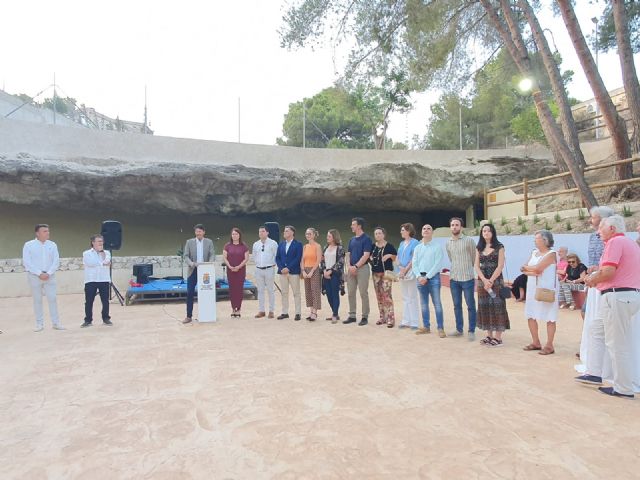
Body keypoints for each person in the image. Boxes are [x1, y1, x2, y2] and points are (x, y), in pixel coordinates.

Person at [581, 215, 640, 398]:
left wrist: (591, 279)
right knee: (596, 330)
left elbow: (608, 271)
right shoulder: (630, 243)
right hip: (624, 296)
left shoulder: (615, 243)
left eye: (601, 228)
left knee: (616, 344)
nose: (598, 232)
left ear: (612, 229)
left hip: (617, 296)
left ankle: (623, 388)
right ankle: (594, 373)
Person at [521, 230, 558, 356]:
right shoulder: (534, 252)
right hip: (532, 287)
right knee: (530, 314)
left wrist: (530, 270)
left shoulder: (551, 254)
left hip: (546, 288)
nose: (535, 241)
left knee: (550, 316)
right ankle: (535, 341)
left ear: (545, 240)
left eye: (537, 238)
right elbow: (525, 267)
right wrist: (531, 270)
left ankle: (549, 345)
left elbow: (538, 268)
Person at [22, 224, 64, 332]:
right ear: (37, 233)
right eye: (45, 231)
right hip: (34, 276)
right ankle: (39, 324)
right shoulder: (28, 245)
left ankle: (56, 323)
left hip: (50, 276)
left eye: (48, 231)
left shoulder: (52, 244)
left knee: (52, 299)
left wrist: (48, 273)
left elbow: (56, 261)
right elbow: (27, 262)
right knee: (37, 300)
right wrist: (39, 273)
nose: (47, 233)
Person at [474, 223, 510, 347]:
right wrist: (485, 280)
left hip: (496, 282)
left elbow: (500, 266)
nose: (486, 233)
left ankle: (498, 337)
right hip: (482, 283)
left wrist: (491, 281)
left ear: (493, 232)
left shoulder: (499, 247)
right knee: (485, 307)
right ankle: (489, 335)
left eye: (488, 231)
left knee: (498, 307)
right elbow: (476, 266)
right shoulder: (479, 248)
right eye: (484, 231)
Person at [446, 217, 477, 340]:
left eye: (457, 225)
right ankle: (459, 329)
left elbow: (474, 257)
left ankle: (471, 331)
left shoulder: (469, 241)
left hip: (467, 278)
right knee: (457, 305)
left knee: (470, 305)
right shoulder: (448, 243)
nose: (454, 227)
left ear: (461, 227)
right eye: (452, 225)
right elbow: (451, 258)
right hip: (454, 279)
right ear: (450, 227)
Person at [412, 224, 445, 337]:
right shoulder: (417, 248)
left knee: (437, 304)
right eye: (424, 229)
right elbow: (414, 264)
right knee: (424, 304)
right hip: (420, 278)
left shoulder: (437, 247)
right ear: (421, 232)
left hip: (433, 278)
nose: (426, 230)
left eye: (428, 229)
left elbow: (438, 264)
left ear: (432, 232)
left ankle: (440, 328)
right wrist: (418, 276)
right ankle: (426, 327)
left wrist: (427, 277)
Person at [183, 224, 215, 324]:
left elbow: (212, 254)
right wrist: (192, 264)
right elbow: (186, 256)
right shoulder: (189, 242)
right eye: (196, 231)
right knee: (190, 293)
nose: (198, 233)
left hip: (205, 271)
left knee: (206, 291)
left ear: (204, 232)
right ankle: (189, 316)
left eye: (200, 231)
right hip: (193, 270)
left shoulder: (209, 242)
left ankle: (207, 315)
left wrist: (209, 264)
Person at [344, 217, 373, 326]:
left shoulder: (367, 239)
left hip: (362, 269)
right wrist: (349, 267)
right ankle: (352, 315)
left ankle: (365, 317)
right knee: (351, 292)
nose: (351, 226)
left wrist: (356, 266)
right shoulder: (351, 239)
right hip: (351, 269)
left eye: (353, 224)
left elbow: (366, 255)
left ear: (359, 226)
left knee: (363, 293)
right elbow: (348, 254)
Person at [81, 234, 112, 328]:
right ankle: (88, 320)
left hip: (104, 279)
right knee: (89, 301)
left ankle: (106, 318)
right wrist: (103, 263)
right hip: (91, 280)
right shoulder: (86, 253)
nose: (100, 243)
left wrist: (102, 255)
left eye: (102, 241)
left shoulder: (106, 252)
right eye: (98, 241)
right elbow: (90, 263)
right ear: (93, 242)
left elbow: (107, 261)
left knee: (105, 300)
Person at [370, 227, 397, 328]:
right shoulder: (373, 246)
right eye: (376, 234)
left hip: (386, 274)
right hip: (375, 274)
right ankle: (382, 317)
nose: (377, 235)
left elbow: (395, 258)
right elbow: (369, 257)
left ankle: (390, 318)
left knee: (387, 296)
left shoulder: (389, 246)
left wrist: (389, 255)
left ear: (384, 234)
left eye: (379, 233)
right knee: (379, 296)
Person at [275, 225, 303, 321]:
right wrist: (281, 268)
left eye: (287, 231)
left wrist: (288, 268)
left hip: (293, 272)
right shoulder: (281, 244)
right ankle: (285, 312)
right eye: (284, 231)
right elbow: (277, 258)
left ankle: (298, 313)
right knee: (284, 293)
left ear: (292, 233)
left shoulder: (298, 244)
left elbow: (298, 258)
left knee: (296, 293)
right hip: (282, 272)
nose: (284, 232)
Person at [397, 223, 420, 329]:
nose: (401, 232)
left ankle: (414, 322)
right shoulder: (401, 243)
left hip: (411, 272)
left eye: (403, 230)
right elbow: (398, 257)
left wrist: (405, 269)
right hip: (402, 272)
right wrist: (400, 268)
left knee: (412, 297)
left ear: (409, 231)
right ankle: (406, 321)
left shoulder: (415, 242)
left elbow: (414, 258)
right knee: (405, 297)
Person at [252, 225, 278, 318]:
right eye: (260, 231)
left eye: (263, 231)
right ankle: (261, 311)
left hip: (269, 269)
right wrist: (258, 264)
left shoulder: (273, 243)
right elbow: (254, 256)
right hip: (258, 269)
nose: (261, 233)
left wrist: (272, 264)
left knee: (270, 290)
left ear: (267, 232)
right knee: (260, 291)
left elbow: (276, 256)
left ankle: (271, 311)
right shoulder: (256, 244)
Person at [223, 227, 249, 317]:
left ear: (239, 235)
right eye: (233, 234)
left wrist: (239, 266)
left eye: (236, 234)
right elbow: (224, 258)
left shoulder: (244, 246)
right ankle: (233, 308)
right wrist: (229, 266)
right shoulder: (227, 246)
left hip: (240, 271)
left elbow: (246, 258)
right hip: (230, 270)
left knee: (239, 289)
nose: (234, 236)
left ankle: (238, 308)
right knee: (232, 289)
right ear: (231, 235)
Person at [321, 229, 345, 324]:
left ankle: (335, 314)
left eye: (329, 236)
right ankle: (335, 313)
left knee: (335, 294)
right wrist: (324, 271)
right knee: (328, 294)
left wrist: (331, 271)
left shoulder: (340, 248)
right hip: (326, 273)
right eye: (327, 236)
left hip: (335, 274)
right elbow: (322, 260)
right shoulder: (325, 247)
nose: (327, 238)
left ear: (334, 237)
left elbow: (340, 262)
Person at [301, 228, 323, 321]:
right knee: (308, 291)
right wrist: (303, 270)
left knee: (315, 290)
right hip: (306, 269)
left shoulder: (317, 246)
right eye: (307, 234)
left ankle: (314, 312)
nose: (308, 235)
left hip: (314, 270)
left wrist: (312, 271)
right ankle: (311, 311)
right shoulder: (305, 246)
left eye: (310, 234)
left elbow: (318, 260)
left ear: (314, 235)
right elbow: (302, 260)